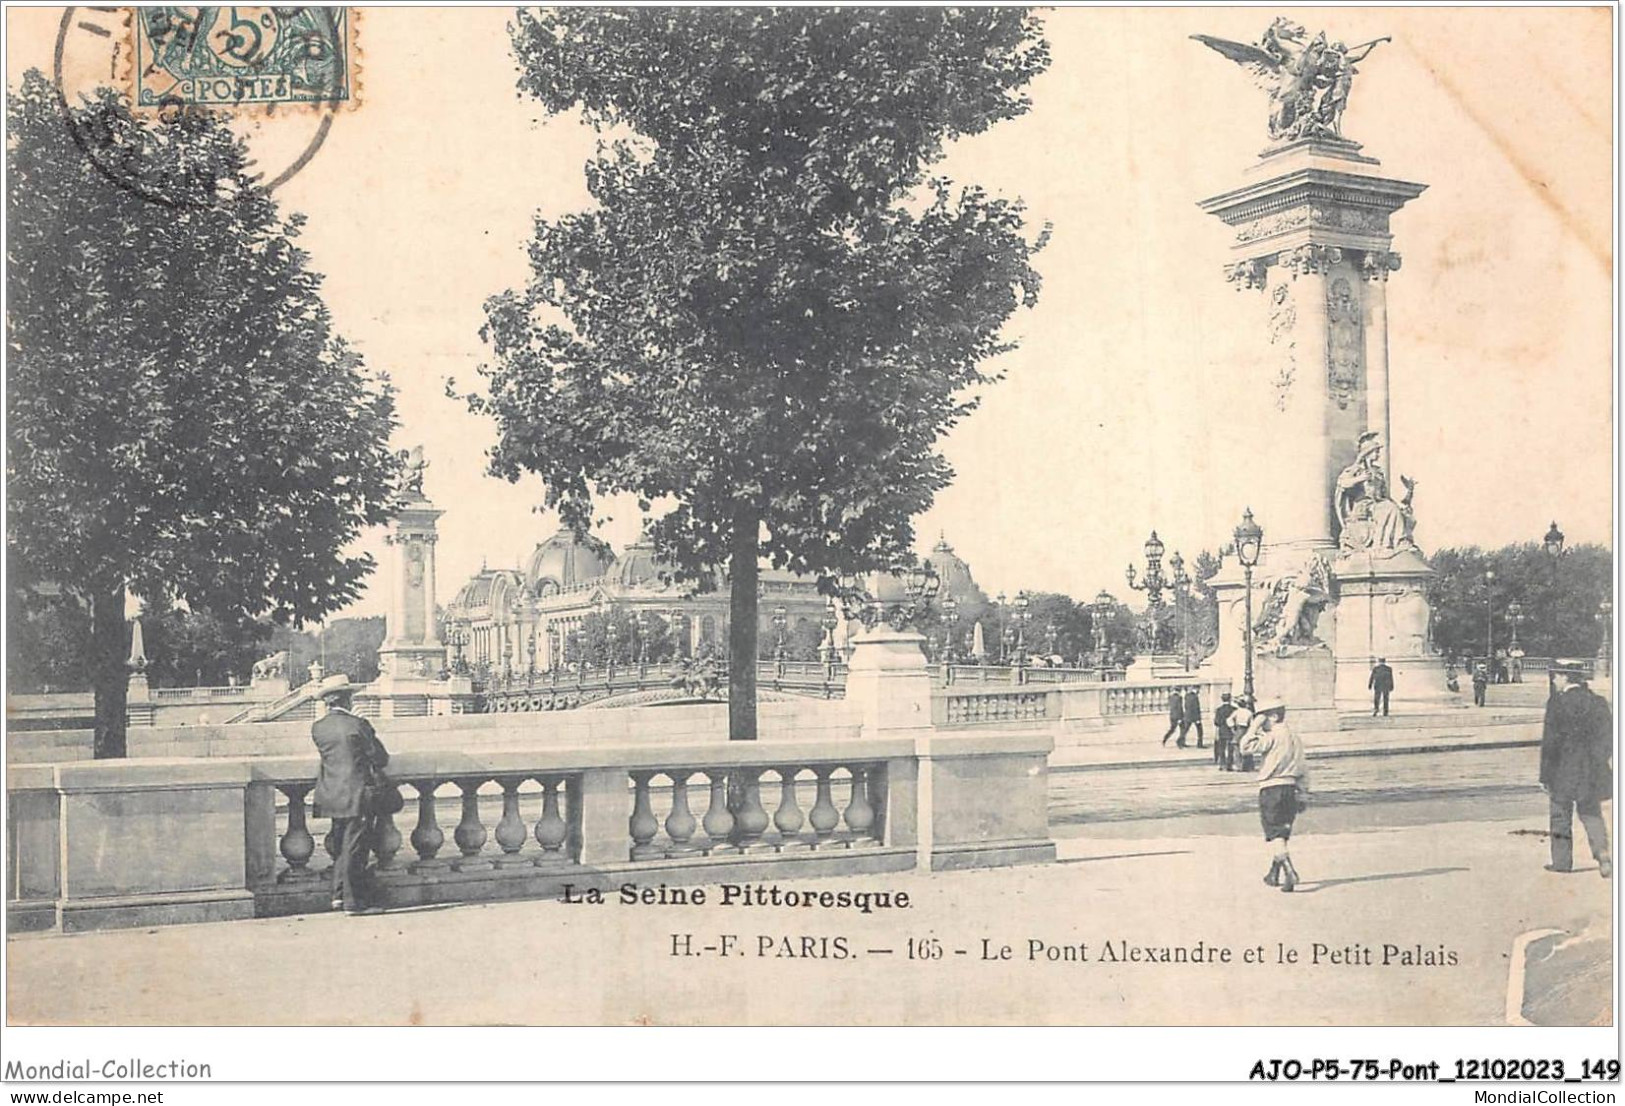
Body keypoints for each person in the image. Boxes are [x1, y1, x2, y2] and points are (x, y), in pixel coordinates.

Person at [310, 676, 391, 915]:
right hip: (358, 794)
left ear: (327, 702)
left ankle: (338, 895)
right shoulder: (358, 725)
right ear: (347, 698)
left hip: (331, 793)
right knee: (355, 848)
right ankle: (353, 902)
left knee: (339, 845)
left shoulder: (318, 728)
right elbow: (380, 757)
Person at [1539, 662, 1612, 877]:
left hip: (1562, 768)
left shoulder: (1557, 703)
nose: (1554, 681)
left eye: (1556, 676)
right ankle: (1603, 853)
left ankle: (1562, 862)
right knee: (1591, 812)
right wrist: (1597, 760)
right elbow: (1609, 737)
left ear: (1565, 677)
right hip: (1590, 768)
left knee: (1560, 814)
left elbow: (1550, 743)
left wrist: (1545, 775)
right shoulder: (1597, 702)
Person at [1238, 698, 1310, 892]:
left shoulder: (1273, 736)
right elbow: (1304, 768)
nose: (1263, 722)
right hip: (1291, 789)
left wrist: (1253, 726)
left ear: (1274, 716)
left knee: (1274, 833)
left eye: (1264, 718)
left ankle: (1290, 871)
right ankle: (1273, 873)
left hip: (1271, 789)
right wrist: (1303, 794)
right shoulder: (1295, 737)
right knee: (1282, 833)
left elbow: (1244, 748)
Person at [1212, 692, 1237, 770]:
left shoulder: (1219, 710)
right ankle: (1229, 765)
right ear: (1230, 699)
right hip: (1230, 731)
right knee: (1230, 749)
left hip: (1222, 730)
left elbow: (1216, 722)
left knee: (1221, 748)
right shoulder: (1234, 709)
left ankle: (1222, 764)